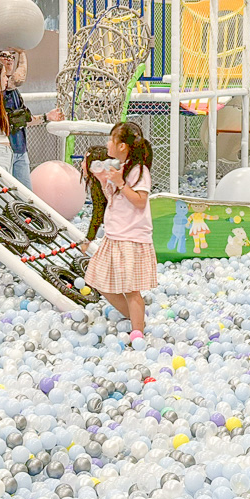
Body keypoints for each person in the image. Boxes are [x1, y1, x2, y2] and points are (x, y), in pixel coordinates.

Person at [85, 122, 156, 339]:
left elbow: (140, 201)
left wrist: (120, 183)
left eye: (111, 139)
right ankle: (136, 318)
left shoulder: (139, 172)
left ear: (122, 146)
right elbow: (115, 202)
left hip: (130, 237)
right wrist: (106, 181)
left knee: (131, 288)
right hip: (115, 234)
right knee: (98, 281)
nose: (108, 143)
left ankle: (138, 332)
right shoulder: (122, 168)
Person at [0, 48, 63, 190]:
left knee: (25, 194)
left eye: (12, 56)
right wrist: (22, 54)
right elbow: (18, 79)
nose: (9, 59)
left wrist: (47, 117)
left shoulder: (14, 93)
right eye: (4, 56)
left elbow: (23, 119)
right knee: (0, 194)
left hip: (20, 150)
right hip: (2, 151)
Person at [79, 145, 110, 253]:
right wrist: (88, 239)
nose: (82, 165)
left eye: (84, 161)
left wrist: (88, 239)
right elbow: (98, 213)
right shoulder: (97, 185)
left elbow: (99, 213)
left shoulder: (110, 183)